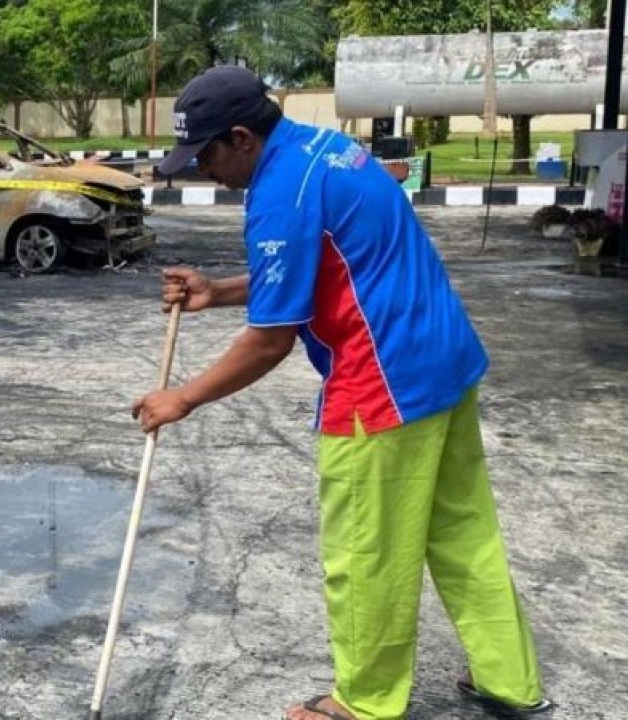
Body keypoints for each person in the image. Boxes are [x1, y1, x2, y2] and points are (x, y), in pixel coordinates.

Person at [131, 65, 552, 720]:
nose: (201, 171)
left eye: (205, 154)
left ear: (241, 137)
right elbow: (314, 264)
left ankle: (364, 702)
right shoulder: (324, 150)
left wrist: (181, 397)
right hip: (443, 360)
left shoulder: (278, 192)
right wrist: (218, 291)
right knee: (465, 531)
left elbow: (270, 341)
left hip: (382, 385)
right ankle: (510, 678)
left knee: (366, 554)